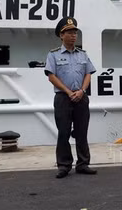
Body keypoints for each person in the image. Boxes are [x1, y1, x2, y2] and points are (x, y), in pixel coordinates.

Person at [45, 17, 97, 179]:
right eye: (69, 32)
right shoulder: (53, 55)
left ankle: (83, 164)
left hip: (81, 97)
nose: (73, 35)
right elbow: (51, 76)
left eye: (75, 32)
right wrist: (68, 92)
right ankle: (64, 165)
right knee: (63, 132)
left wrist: (82, 90)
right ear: (61, 35)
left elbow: (88, 73)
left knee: (81, 132)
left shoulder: (83, 54)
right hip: (63, 98)